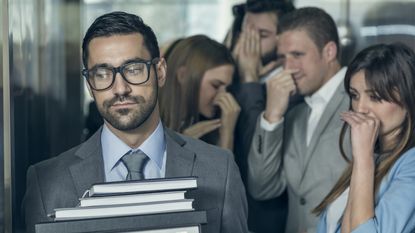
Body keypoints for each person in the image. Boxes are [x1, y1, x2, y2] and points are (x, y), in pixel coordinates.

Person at [22, 11, 248, 233]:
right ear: (90, 85)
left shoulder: (220, 168)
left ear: (160, 72)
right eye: (102, 74)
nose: (120, 89)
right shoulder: (47, 182)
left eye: (134, 69)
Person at [247, 7, 350, 233]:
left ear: (329, 51)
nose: (288, 68)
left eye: (297, 55)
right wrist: (271, 118)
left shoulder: (364, 99)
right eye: (282, 57)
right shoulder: (293, 115)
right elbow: (262, 187)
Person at [314, 43, 415, 233]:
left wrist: (363, 158)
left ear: (408, 100)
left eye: (375, 97)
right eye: (354, 95)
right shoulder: (372, 155)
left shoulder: (410, 163)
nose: (360, 108)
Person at [159, 35, 240, 151]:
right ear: (183, 76)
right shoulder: (145, 121)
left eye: (227, 88)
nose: (223, 96)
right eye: (215, 85)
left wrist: (227, 136)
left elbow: (221, 169)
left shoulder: (209, 129)